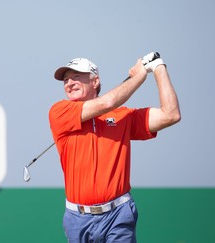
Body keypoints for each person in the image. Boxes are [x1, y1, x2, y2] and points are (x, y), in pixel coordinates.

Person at [48, 53, 181, 243]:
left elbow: (171, 114)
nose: (69, 83)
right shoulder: (59, 111)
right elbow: (107, 102)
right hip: (77, 219)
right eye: (66, 80)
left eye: (76, 77)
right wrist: (139, 76)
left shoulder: (122, 116)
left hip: (118, 214)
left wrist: (158, 68)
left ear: (95, 82)